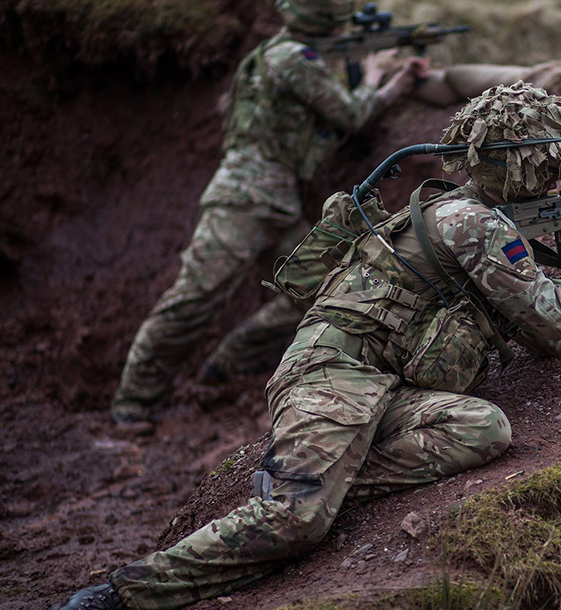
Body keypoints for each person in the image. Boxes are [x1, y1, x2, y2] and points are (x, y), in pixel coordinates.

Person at [59, 82, 561, 610]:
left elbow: (548, 322)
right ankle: (121, 593)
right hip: (331, 370)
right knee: (294, 524)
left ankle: (329, 481)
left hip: (389, 383)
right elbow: (559, 325)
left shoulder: (469, 207)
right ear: (535, 164)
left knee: (484, 427)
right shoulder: (473, 222)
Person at [109, 0, 426, 425]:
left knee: (319, 288)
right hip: (243, 200)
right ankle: (133, 401)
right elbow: (351, 114)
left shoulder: (272, 53)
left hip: (275, 201)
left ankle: (231, 360)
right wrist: (380, 77)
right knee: (195, 298)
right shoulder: (293, 58)